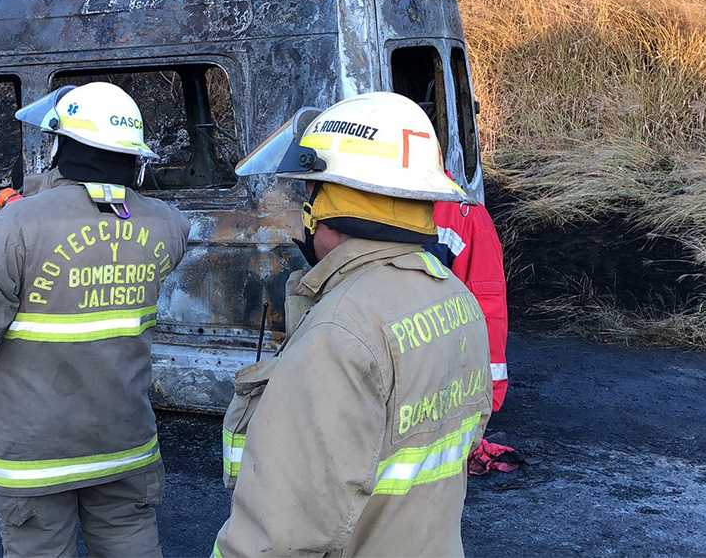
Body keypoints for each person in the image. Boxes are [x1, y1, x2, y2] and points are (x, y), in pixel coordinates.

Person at [213, 92, 492, 557]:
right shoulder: (453, 296)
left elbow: (280, 534)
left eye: (310, 197)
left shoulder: (342, 330)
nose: (302, 219)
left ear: (336, 215)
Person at [0, 82, 189, 558]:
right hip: (124, 440)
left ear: (58, 144)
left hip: (35, 451)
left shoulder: (15, 226)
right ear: (135, 155)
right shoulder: (166, 226)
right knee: (128, 539)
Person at [429, 192, 509, 412]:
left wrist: (486, 393)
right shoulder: (461, 215)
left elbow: (486, 307)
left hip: (431, 389)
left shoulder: (460, 214)